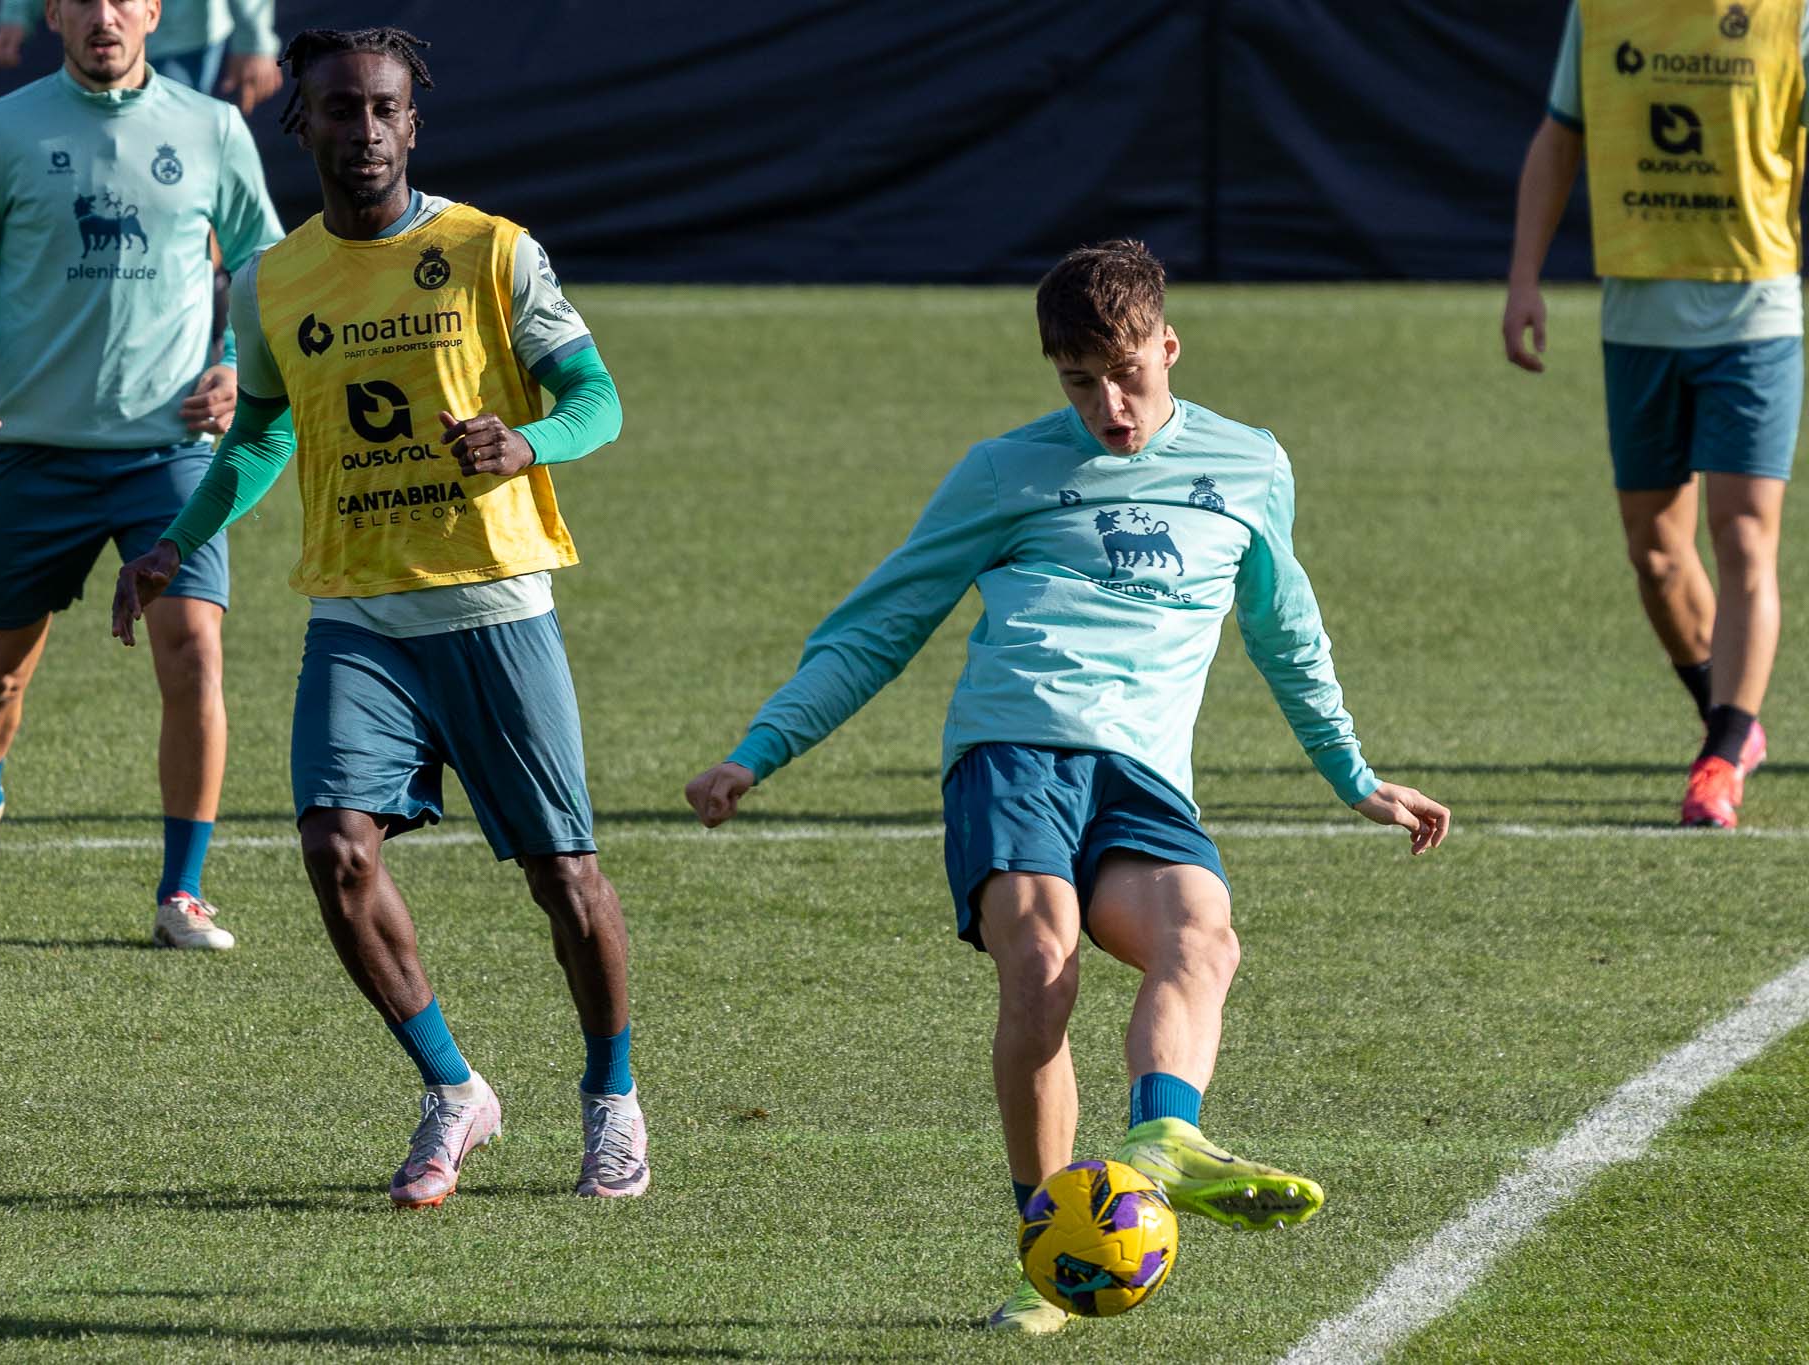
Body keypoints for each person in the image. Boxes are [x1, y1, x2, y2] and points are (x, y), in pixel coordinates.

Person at [684, 240, 1450, 1334]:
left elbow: (1288, 635)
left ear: (1168, 347)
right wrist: (759, 749)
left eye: (1125, 374)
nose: (1107, 405)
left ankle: (1163, 1140)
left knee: (1202, 939)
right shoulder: (1002, 470)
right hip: (1014, 750)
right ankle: (1042, 1256)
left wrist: (1352, 775)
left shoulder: (1248, 467)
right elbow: (878, 625)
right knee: (1040, 971)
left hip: (1143, 776)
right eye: (1077, 382)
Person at [109, 26, 647, 1205]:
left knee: (565, 876)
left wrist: (527, 444)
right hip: (356, 613)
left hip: (493, 603)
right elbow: (261, 431)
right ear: (299, 123)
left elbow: (595, 397)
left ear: (414, 123)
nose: (362, 131)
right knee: (333, 849)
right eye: (340, 109)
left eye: (384, 110)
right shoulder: (269, 280)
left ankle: (610, 1096)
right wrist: (173, 545)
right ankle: (454, 1088)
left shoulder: (492, 252)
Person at [0, 0, 284, 948]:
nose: (104, 15)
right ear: (53, 15)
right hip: (31, 453)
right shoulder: (3, 129)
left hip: (168, 452)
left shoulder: (211, 128)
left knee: (194, 648)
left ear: (156, 10)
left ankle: (182, 891)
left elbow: (262, 264)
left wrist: (240, 363)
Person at [1504, 0, 1803, 828]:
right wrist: (1524, 277)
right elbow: (1560, 136)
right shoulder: (1600, 12)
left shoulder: (1788, 14)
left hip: (1755, 315)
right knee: (1658, 556)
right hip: (1637, 323)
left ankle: (1721, 753)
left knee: (1743, 532)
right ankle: (1730, 723)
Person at [0, 0, 284, 113]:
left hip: (182, 43)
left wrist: (253, 41)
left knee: (180, 158)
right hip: (92, 37)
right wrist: (16, 14)